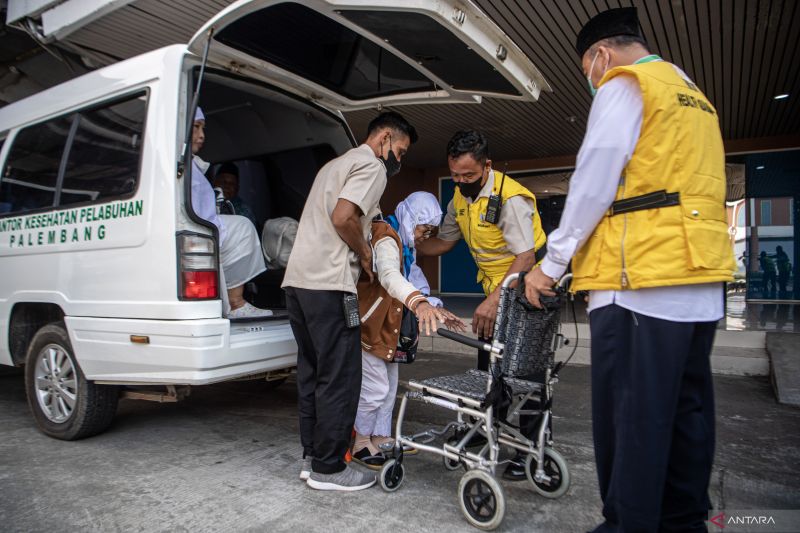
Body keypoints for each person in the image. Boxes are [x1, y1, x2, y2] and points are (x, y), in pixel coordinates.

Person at [523, 8, 736, 532]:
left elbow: (594, 181)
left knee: (633, 421)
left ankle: (627, 525)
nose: (592, 82)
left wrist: (550, 265)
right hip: (698, 277)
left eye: (587, 71)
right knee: (686, 416)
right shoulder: (692, 95)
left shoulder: (625, 83)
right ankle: (684, 522)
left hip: (639, 281)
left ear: (599, 56)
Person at [282, 111, 418, 491]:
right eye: (401, 151)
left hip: (298, 284)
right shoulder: (371, 166)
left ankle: (312, 458)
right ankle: (330, 469)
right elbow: (344, 218)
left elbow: (341, 214)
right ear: (385, 139)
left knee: (311, 372)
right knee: (340, 377)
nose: (399, 161)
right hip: (329, 285)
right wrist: (364, 253)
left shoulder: (334, 165)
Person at [415, 130, 547, 480]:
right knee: (490, 369)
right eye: (455, 175)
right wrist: (404, 248)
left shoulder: (510, 199)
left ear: (487, 166)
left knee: (524, 372)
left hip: (529, 289)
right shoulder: (459, 198)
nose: (460, 182)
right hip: (498, 290)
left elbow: (526, 256)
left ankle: (532, 451)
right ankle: (486, 432)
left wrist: (493, 302)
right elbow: (443, 243)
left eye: (468, 176)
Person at [352, 192, 466, 469]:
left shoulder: (406, 246)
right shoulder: (387, 237)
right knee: (374, 388)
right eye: (424, 228)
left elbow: (415, 282)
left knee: (389, 386)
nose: (426, 235)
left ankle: (379, 437)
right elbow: (390, 276)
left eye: (430, 230)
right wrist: (420, 303)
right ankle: (359, 442)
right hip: (371, 325)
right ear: (411, 219)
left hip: (387, 326)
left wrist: (434, 307)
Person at [191, 108, 271, 318]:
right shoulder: (180, 166)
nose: (202, 136)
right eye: (195, 127)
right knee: (241, 227)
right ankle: (236, 302)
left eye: (203, 128)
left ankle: (237, 300)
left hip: (209, 237)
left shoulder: (240, 205)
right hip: (198, 237)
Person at [213, 162, 257, 227]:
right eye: (223, 182)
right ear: (214, 183)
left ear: (237, 189)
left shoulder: (244, 211)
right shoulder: (205, 202)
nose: (227, 186)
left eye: (231, 184)